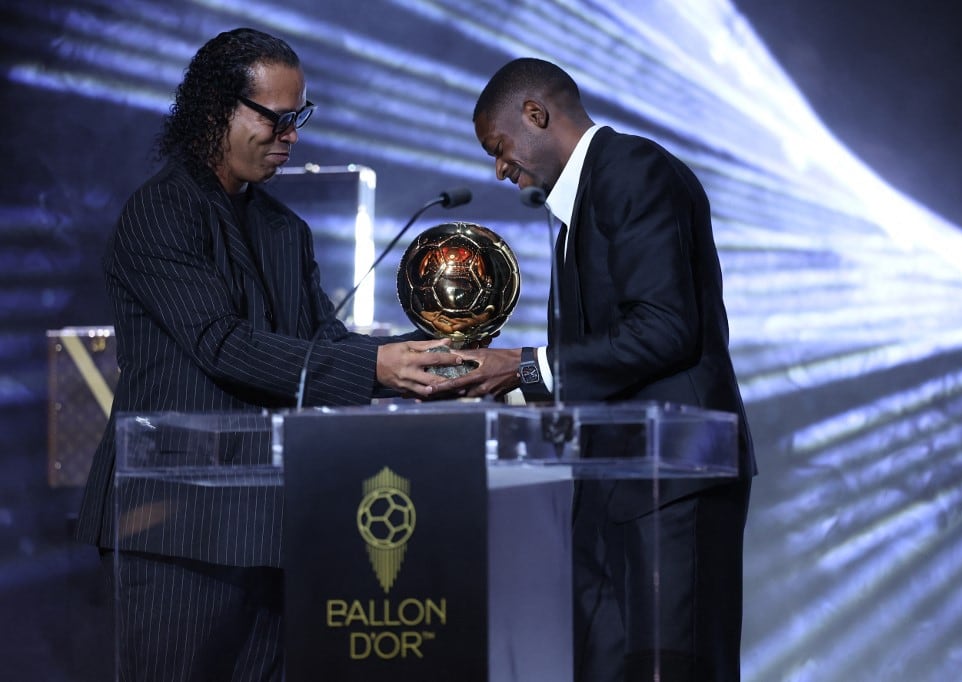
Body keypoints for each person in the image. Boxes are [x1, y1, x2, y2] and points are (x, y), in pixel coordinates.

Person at [74, 27, 461, 680]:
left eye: (298, 118)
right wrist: (376, 366)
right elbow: (219, 344)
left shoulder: (286, 228)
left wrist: (430, 359)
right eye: (277, 119)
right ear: (212, 111)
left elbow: (324, 345)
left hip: (274, 523)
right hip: (176, 528)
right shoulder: (159, 214)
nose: (291, 136)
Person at [438, 58, 757, 681]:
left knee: (674, 667)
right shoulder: (576, 203)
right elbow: (599, 354)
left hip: (673, 475)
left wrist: (525, 368)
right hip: (614, 475)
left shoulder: (631, 169)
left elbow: (664, 327)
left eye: (499, 149)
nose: (500, 169)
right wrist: (507, 391)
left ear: (536, 114)